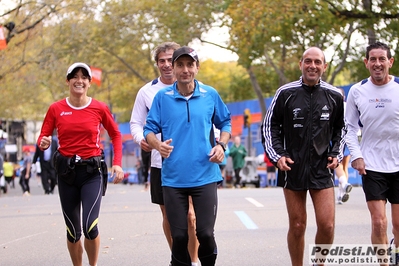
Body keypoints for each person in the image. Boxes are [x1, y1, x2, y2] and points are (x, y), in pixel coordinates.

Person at [143, 46, 231, 266]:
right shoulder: (163, 97)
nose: (185, 70)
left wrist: (221, 145)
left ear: (197, 67)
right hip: (173, 179)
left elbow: (225, 123)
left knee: (206, 234)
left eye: (189, 65)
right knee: (180, 236)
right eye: (180, 65)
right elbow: (149, 129)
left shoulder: (210, 95)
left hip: (205, 176)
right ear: (173, 68)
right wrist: (157, 144)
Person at [262, 47, 344, 266]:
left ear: (324, 67)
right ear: (301, 64)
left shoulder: (334, 95)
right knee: (298, 226)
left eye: (318, 62)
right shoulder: (285, 93)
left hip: (322, 168)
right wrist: (278, 155)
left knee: (327, 226)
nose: (313, 66)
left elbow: (342, 129)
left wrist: (336, 152)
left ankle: (319, 263)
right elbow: (270, 126)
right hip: (293, 168)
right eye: (308, 61)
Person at [36, 62, 125, 266]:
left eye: (84, 77)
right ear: (68, 81)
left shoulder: (99, 107)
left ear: (89, 83)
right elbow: (43, 135)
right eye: (74, 76)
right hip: (66, 173)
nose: (79, 80)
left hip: (91, 172)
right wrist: (44, 141)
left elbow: (116, 135)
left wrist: (117, 164)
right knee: (73, 231)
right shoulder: (56, 108)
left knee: (90, 226)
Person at [130, 42, 199, 266]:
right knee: (169, 216)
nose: (167, 65)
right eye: (162, 60)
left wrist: (216, 144)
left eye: (171, 60)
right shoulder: (147, 92)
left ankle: (194, 260)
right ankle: (177, 259)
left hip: (191, 162)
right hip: (161, 164)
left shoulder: (198, 89)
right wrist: (142, 139)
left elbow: (213, 121)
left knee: (191, 216)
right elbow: (136, 123)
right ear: (157, 64)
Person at [345, 41, 399, 265]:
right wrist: (356, 155)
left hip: (398, 164)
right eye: (373, 60)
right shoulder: (357, 91)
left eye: (382, 59)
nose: (378, 64)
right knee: (379, 222)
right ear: (366, 63)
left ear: (390, 62)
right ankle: (384, 263)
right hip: (372, 164)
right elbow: (349, 128)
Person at [335, 88, 352, 204]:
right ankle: (341, 193)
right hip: (349, 138)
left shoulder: (334, 106)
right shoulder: (349, 107)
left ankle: (344, 184)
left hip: (338, 138)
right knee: (344, 166)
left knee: (337, 164)